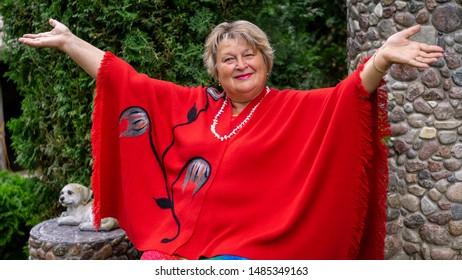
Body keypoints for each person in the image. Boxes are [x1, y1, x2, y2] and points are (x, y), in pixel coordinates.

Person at [19, 18, 443, 260]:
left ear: (265, 60)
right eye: (229, 59)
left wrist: (381, 59)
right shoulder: (196, 106)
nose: (241, 65)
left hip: (257, 254)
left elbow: (348, 95)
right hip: (180, 246)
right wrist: (71, 43)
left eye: (249, 54)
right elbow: (127, 82)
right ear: (215, 70)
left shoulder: (294, 106)